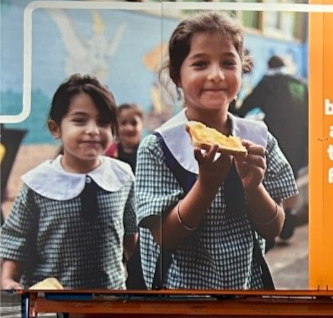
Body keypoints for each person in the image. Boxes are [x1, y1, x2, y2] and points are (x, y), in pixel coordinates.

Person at [135, 12, 297, 289]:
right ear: (177, 76)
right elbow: (165, 236)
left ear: (242, 69)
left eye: (227, 63)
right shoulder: (159, 147)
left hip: (247, 297)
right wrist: (206, 185)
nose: (216, 75)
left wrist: (254, 187)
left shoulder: (259, 138)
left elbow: (274, 228)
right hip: (178, 304)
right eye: (200, 64)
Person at [0, 75, 135, 292]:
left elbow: (132, 238)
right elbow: (16, 241)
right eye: (80, 120)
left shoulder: (122, 176)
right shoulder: (37, 183)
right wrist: (7, 280)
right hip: (50, 305)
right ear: (56, 129)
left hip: (109, 301)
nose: (93, 130)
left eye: (103, 122)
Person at [236, 54, 308, 241]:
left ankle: (277, 218)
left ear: (269, 66)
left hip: (276, 137)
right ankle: (290, 213)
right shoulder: (300, 84)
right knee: (290, 175)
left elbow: (245, 109)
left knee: (271, 176)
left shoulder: (268, 82)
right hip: (299, 140)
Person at [106, 102, 144, 173]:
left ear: (142, 124)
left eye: (134, 123)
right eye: (123, 123)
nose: (129, 128)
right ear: (115, 126)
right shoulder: (109, 153)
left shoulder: (147, 153)